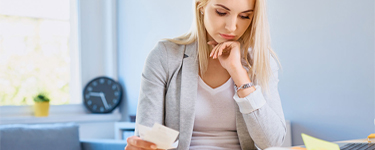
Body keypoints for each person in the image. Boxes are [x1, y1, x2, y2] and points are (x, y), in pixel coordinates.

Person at [125, 0, 286, 149]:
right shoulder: (164, 56)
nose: (231, 27)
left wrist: (239, 73)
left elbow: (273, 142)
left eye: (244, 16)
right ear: (201, 6)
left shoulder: (261, 61)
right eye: (221, 13)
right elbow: (147, 137)